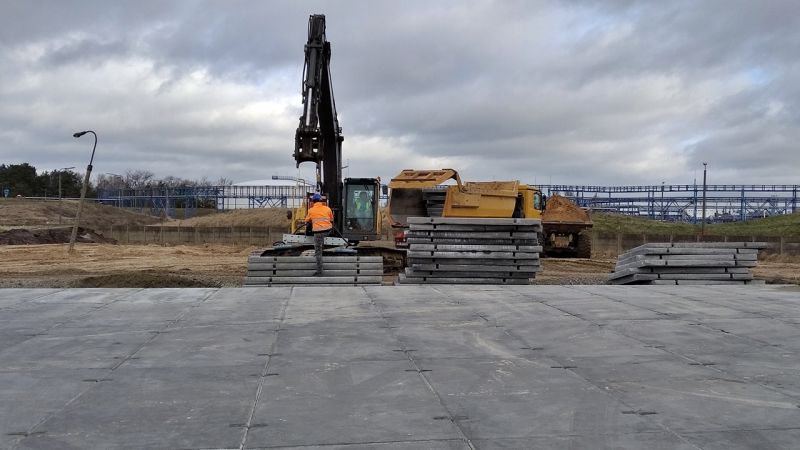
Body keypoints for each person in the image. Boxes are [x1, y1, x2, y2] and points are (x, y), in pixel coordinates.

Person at [304, 193, 333, 276]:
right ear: (321, 201)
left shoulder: (311, 210)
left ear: (313, 202)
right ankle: (322, 245)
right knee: (321, 239)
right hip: (328, 231)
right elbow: (331, 219)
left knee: (318, 252)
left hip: (318, 232)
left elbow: (306, 221)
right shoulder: (328, 209)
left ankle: (319, 272)